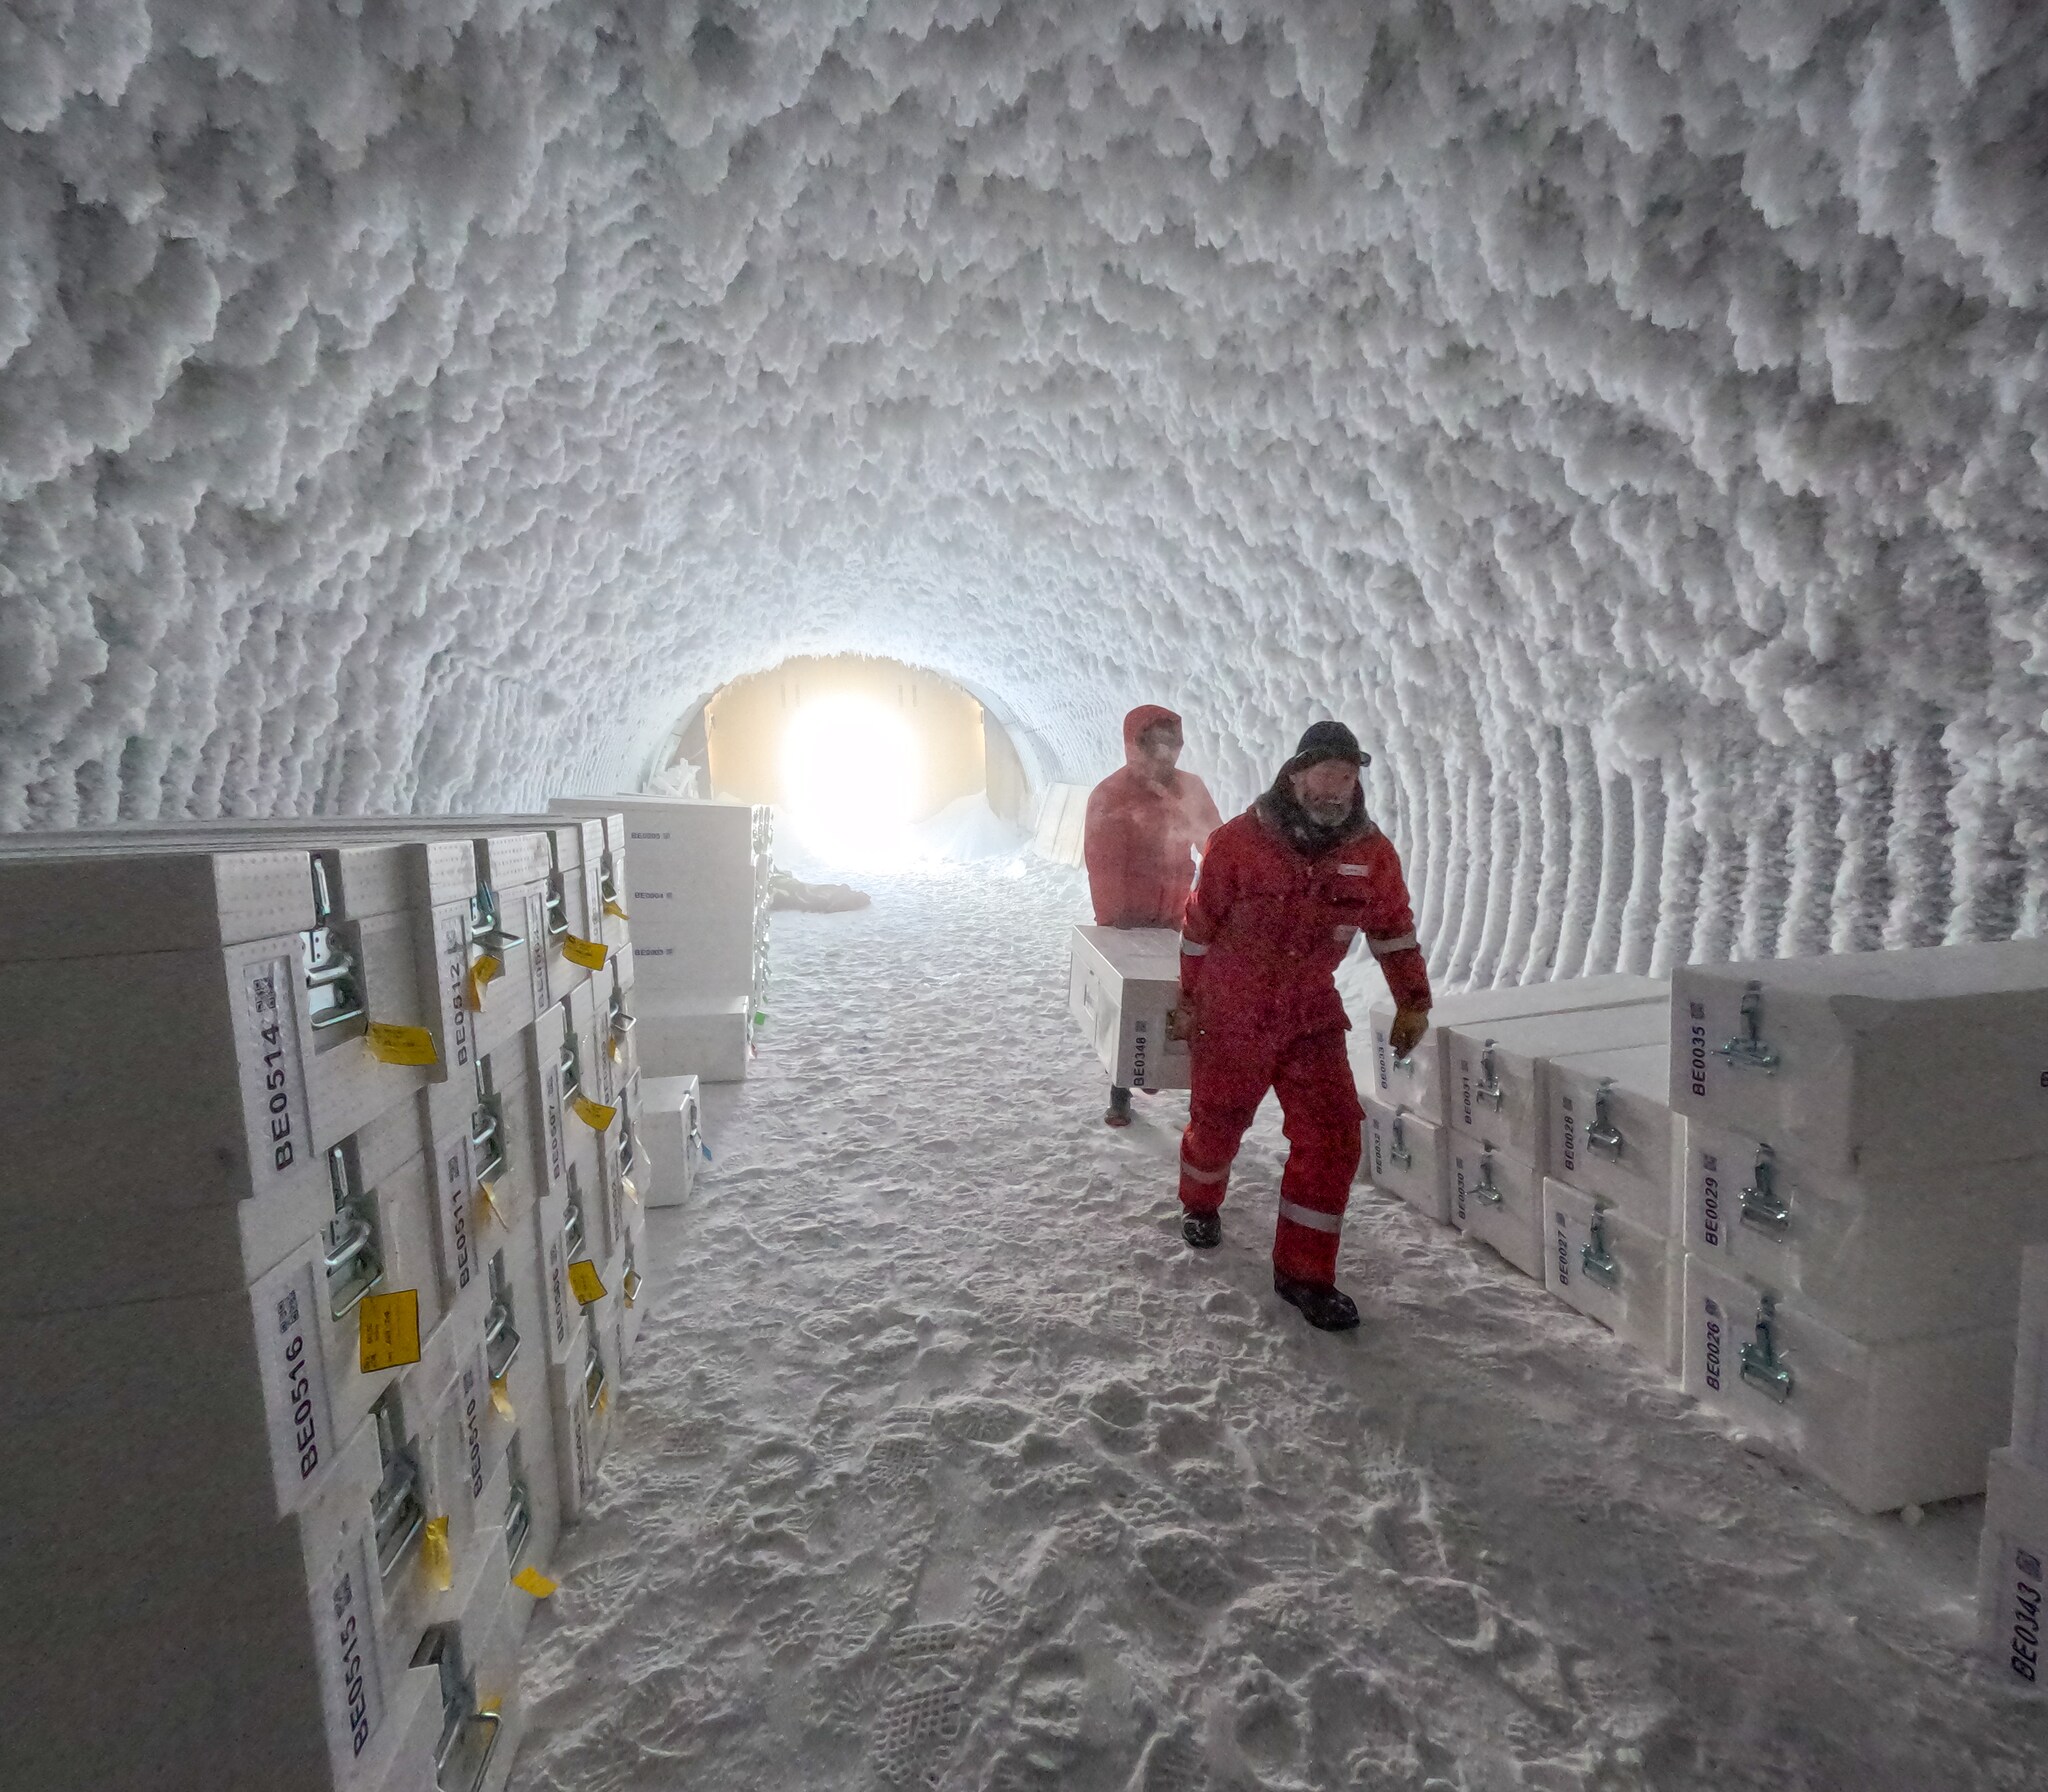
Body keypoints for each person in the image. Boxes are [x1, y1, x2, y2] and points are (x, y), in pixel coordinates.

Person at [1170, 720, 1430, 1331]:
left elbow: (1393, 930)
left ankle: (1304, 1275)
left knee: (1334, 1135)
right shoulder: (1239, 842)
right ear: (1295, 776)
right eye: (1324, 774)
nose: (1335, 790)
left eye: (1346, 777)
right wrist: (1189, 999)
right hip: (1233, 1010)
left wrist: (1413, 1001)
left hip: (1309, 1012)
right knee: (1218, 1122)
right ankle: (1200, 1202)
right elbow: (1199, 927)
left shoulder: (1370, 855)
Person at [1083, 704, 1223, 1127]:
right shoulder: (1111, 795)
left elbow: (1216, 845)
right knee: (1131, 1004)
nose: (1166, 752)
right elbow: (1104, 865)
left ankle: (1176, 1080)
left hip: (1177, 914)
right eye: (1156, 743)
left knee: (1181, 999)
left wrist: (1218, 897)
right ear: (1136, 745)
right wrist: (1115, 923)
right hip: (1127, 920)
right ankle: (1121, 1088)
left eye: (1171, 742)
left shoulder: (1190, 789)